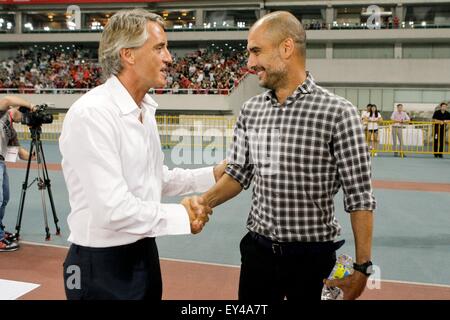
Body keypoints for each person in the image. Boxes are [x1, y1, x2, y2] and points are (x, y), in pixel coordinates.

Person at [187, 11, 376, 300]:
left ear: (286, 48)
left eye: (256, 51)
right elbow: (238, 174)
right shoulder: (251, 111)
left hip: (313, 258)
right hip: (257, 254)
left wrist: (362, 267)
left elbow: (359, 195)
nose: (250, 63)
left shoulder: (339, 113)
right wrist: (204, 202)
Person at [59, 9, 224, 300]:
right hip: (100, 264)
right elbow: (114, 210)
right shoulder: (92, 114)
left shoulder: (144, 110)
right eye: (159, 48)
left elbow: (155, 179)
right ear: (128, 55)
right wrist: (182, 215)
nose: (169, 58)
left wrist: (212, 174)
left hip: (143, 250)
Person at [0, 96, 36, 252]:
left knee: (4, 198)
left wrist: (34, 155)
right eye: (24, 114)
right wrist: (30, 105)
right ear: (16, 109)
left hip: (1, 162)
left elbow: (20, 152)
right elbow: (7, 99)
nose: (24, 119)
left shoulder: (11, 130)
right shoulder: (2, 113)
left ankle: (0, 231)